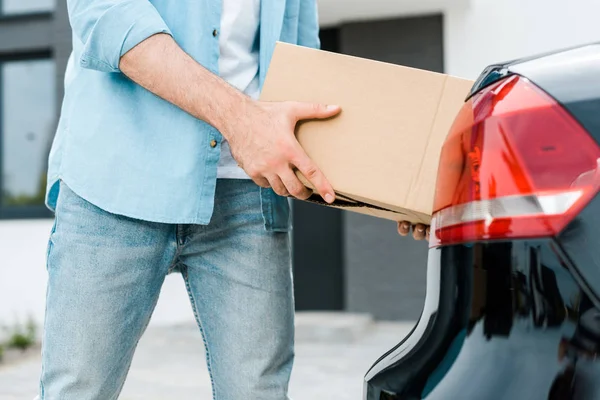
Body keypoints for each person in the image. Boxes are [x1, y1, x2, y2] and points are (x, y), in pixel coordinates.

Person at [38, 0, 427, 399]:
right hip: (114, 183)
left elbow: (304, 64)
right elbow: (108, 16)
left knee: (258, 391)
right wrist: (242, 122)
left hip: (248, 194)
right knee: (78, 390)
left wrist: (392, 195)